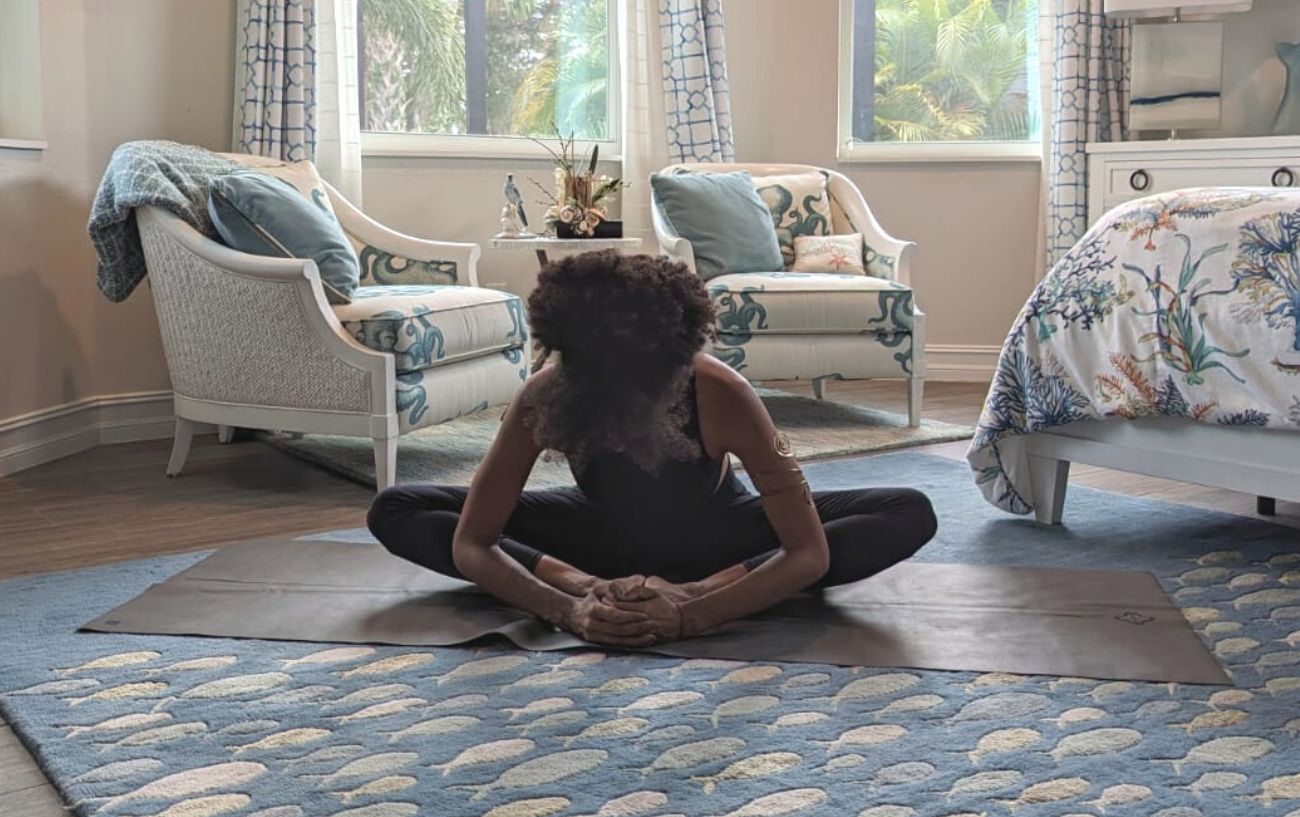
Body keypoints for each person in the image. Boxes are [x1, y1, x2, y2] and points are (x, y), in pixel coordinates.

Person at [367, 251, 937, 647]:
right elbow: (473, 539)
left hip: (720, 545)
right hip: (595, 548)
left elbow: (807, 550)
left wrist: (690, 608)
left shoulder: (723, 392)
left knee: (907, 510)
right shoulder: (545, 395)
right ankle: (607, 582)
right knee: (396, 508)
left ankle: (711, 583)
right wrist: (575, 602)